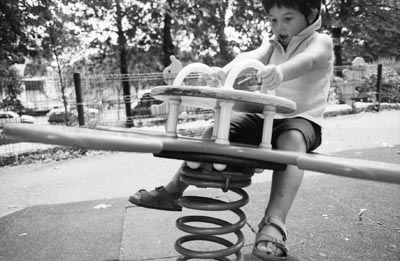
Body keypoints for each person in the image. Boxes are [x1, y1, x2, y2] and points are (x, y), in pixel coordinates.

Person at [129, 0, 333, 259]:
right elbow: (250, 58)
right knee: (218, 129)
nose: (279, 26)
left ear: (311, 14)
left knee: (292, 141)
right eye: (273, 19)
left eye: (287, 19)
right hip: (264, 117)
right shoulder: (273, 43)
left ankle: (274, 224)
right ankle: (172, 192)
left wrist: (280, 73)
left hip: (301, 120)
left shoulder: (320, 41)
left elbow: (307, 60)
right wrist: (222, 72)